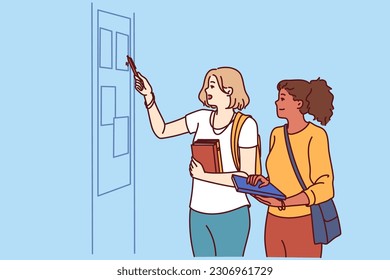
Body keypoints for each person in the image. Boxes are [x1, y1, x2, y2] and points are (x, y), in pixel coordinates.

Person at [134, 67, 260, 257]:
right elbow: (162, 131)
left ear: (229, 90)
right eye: (207, 86)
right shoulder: (200, 118)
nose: (207, 91)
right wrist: (149, 97)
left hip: (232, 213)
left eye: (212, 86)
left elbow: (246, 176)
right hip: (198, 213)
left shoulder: (246, 125)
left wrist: (204, 176)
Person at [247, 78, 335, 258]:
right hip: (273, 221)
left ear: (298, 103)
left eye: (282, 98)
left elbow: (325, 187)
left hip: (304, 221)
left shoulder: (315, 136)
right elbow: (281, 176)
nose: (276, 102)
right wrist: (264, 182)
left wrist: (283, 203)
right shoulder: (276, 134)